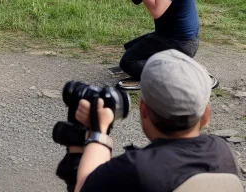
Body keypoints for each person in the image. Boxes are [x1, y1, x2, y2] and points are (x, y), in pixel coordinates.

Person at [73, 49, 237, 192]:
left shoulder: (135, 169)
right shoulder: (222, 152)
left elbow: (84, 186)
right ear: (206, 115)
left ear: (143, 110)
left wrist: (98, 131)